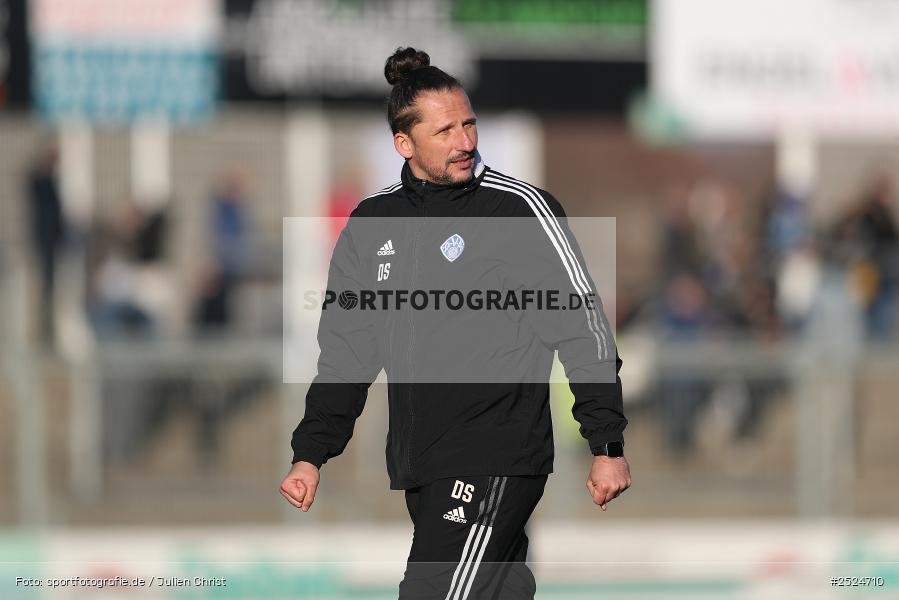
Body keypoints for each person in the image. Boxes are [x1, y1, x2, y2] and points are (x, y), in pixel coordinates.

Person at [280, 47, 631, 599]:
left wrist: (606, 442)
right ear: (404, 143)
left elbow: (582, 328)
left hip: (496, 454)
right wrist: (311, 453)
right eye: (444, 131)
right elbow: (347, 353)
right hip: (422, 464)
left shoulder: (519, 210)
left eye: (469, 124)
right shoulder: (373, 222)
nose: (464, 141)